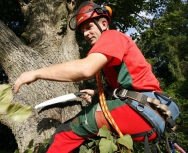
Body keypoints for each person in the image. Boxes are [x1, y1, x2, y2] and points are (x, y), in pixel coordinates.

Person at [14, 1, 166, 153]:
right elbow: (121, 89)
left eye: (89, 27)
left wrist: (36, 73)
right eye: (83, 31)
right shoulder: (111, 56)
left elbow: (85, 70)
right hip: (147, 114)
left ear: (104, 24)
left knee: (65, 133)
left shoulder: (112, 36)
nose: (86, 34)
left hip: (140, 111)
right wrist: (94, 93)